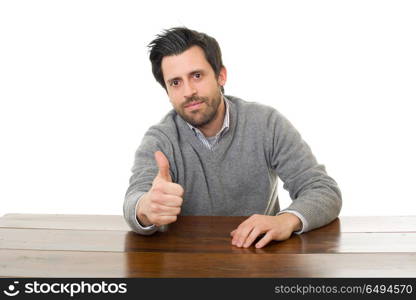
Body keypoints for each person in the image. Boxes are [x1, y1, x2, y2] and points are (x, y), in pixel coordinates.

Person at [123, 27, 342, 248]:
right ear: (167, 92)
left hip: (260, 258)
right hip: (186, 263)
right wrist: (145, 208)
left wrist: (287, 220)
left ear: (221, 76)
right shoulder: (160, 139)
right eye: (175, 83)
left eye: (197, 76)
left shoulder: (267, 124)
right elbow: (134, 200)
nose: (188, 91)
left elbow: (323, 190)